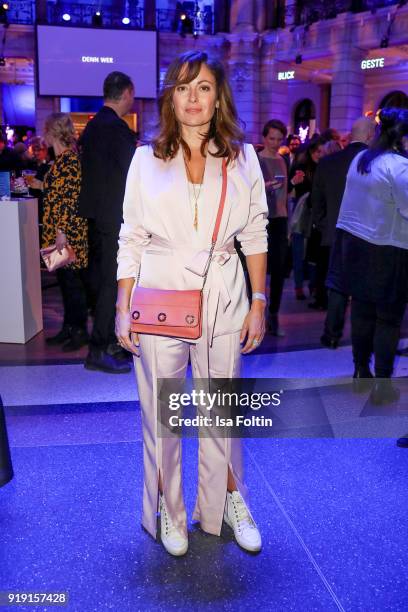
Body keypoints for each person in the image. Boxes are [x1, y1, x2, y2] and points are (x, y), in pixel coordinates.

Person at [115, 51, 268, 556]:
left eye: (203, 87)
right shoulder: (145, 158)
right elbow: (131, 236)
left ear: (217, 95)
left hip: (224, 292)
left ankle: (224, 500)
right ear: (170, 98)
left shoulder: (243, 157)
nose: (194, 98)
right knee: (162, 412)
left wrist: (260, 299)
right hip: (160, 294)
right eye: (183, 88)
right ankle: (168, 508)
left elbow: (255, 233)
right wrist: (123, 306)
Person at [327, 108, 408, 404]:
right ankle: (382, 386)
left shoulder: (361, 159)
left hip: (355, 246)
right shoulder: (398, 166)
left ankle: (361, 371)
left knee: (362, 313)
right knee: (388, 319)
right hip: (387, 249)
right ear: (402, 138)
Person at [78, 71, 136, 374]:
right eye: (132, 94)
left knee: (105, 282)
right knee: (112, 285)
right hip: (115, 217)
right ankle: (99, 349)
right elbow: (134, 172)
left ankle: (111, 343)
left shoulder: (91, 126)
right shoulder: (116, 129)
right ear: (126, 93)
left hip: (98, 216)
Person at [312, 117, 375, 348]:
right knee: (364, 288)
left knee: (337, 286)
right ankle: (363, 337)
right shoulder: (377, 163)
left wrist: (324, 225)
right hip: (367, 235)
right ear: (370, 135)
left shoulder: (328, 162)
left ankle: (331, 334)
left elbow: (316, 201)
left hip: (335, 233)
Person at [42, 113, 89, 352]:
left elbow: (69, 200)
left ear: (53, 132)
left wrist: (62, 232)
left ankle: (79, 331)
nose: (43, 135)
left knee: (73, 285)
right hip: (59, 231)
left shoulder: (69, 160)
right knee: (65, 283)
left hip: (67, 233)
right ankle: (68, 328)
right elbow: (58, 193)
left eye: (46, 130)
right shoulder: (61, 160)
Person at [257, 119, 288, 335]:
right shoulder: (255, 161)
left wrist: (292, 182)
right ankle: (255, 315)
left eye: (279, 139)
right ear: (264, 138)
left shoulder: (283, 159)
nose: (275, 143)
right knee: (257, 271)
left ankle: (274, 316)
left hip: (280, 220)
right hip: (261, 220)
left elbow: (285, 193)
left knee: (278, 271)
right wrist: (265, 187)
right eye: (271, 138)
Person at [288, 138, 324, 301]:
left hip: (316, 212)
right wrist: (294, 182)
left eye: (322, 151)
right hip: (302, 212)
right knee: (298, 249)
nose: (320, 155)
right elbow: (290, 187)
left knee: (313, 251)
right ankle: (298, 286)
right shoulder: (301, 167)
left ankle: (313, 284)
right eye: (318, 151)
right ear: (311, 151)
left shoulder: (324, 167)